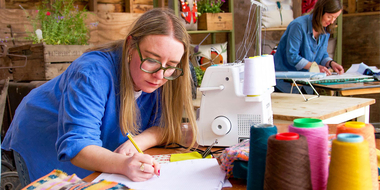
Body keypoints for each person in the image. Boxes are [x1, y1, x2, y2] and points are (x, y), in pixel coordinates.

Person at [2, 8, 198, 186]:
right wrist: (124, 163)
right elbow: (78, 146)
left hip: (92, 143)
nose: (160, 75)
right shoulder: (93, 71)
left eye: (171, 65)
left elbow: (163, 126)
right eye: (151, 60)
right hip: (42, 134)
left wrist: (138, 142)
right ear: (130, 46)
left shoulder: (168, 73)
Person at [274, 0, 345, 94]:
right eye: (329, 17)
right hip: (285, 84)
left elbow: (322, 54)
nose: (331, 21)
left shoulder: (325, 29)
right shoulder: (298, 26)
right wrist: (314, 67)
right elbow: (292, 56)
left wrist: (331, 63)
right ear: (320, 12)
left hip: (307, 85)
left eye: (335, 18)